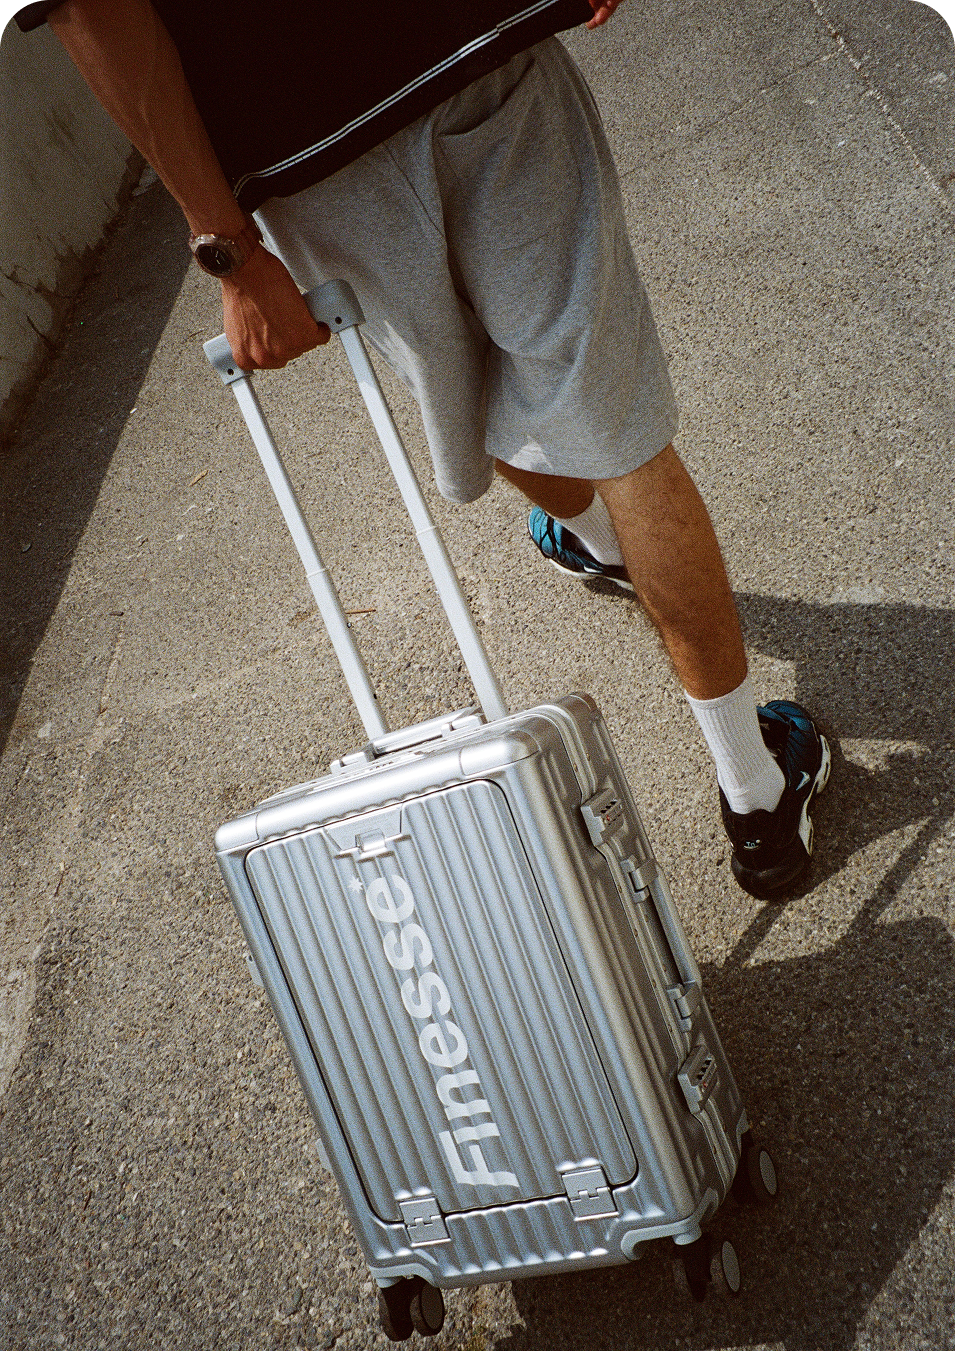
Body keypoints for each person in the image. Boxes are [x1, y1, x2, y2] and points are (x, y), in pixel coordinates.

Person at [15, 0, 830, 899]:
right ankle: (754, 797)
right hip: (468, 44)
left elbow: (95, 11)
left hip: (307, 149)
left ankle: (608, 552)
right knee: (613, 425)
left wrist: (228, 249)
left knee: (470, 385)